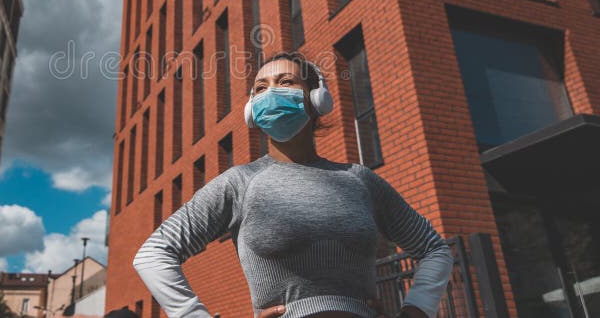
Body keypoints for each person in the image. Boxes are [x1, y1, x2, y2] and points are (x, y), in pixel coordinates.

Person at [133, 51, 454, 318]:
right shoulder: (239, 182)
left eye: (285, 82)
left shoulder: (360, 180)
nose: (271, 93)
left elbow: (435, 249)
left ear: (317, 98)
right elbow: (153, 254)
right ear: (251, 110)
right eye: (260, 88)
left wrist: (416, 311)